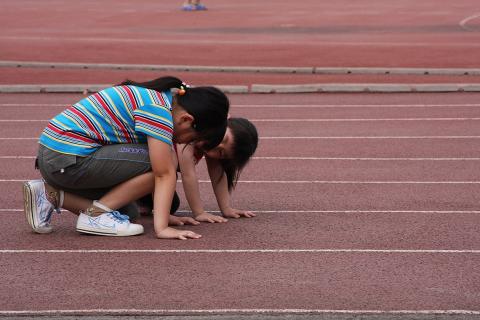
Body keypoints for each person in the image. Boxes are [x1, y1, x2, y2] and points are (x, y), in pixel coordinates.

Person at [23, 76, 229, 240]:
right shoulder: (158, 110)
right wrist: (162, 227)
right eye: (191, 138)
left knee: (127, 214)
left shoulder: (163, 97)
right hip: (67, 158)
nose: (185, 143)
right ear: (186, 119)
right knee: (167, 162)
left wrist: (163, 214)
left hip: (60, 158)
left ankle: (49, 195)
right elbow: (164, 173)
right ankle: (95, 216)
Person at [137, 117, 258, 223]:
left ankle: (138, 200)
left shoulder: (210, 142)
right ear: (221, 125)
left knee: (172, 204)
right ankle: (126, 198)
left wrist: (226, 208)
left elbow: (218, 175)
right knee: (169, 167)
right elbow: (188, 175)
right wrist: (199, 213)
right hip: (137, 156)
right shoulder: (191, 132)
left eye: (221, 152)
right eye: (223, 139)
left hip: (151, 167)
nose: (217, 145)